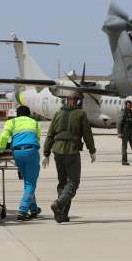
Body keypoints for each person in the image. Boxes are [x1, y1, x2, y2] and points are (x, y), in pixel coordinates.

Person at [42, 94, 96, 223]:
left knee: (63, 183)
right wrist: (92, 150)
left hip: (57, 151)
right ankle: (59, 204)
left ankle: (62, 215)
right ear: (76, 101)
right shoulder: (80, 113)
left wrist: (46, 153)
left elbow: (50, 134)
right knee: (73, 182)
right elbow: (87, 133)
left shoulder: (57, 114)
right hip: (71, 151)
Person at [0, 105, 42, 221]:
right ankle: (22, 210)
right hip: (31, 151)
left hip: (17, 153)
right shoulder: (34, 122)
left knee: (27, 182)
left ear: (17, 114)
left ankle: (33, 209)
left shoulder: (11, 122)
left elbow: (4, 137)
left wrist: (1, 149)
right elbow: (37, 138)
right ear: (28, 114)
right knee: (30, 183)